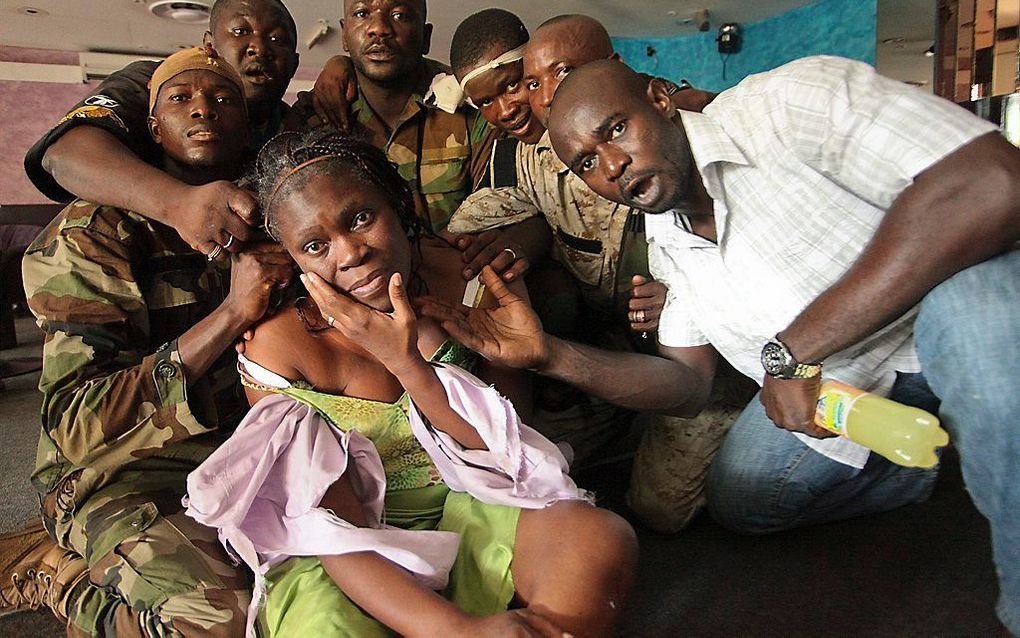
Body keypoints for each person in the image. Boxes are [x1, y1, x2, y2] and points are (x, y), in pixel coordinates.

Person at [428, 56, 1020, 634]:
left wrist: (793, 350)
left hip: (944, 316)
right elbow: (688, 386)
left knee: (975, 320)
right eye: (586, 163)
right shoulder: (667, 245)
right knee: (743, 500)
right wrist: (551, 355)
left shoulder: (785, 105)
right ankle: (946, 456)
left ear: (660, 100)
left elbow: (992, 181)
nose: (611, 164)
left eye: (616, 130)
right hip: (847, 392)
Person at [186, 129, 637, 636]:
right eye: (316, 246)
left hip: (477, 497)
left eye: (361, 218)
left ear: (398, 206)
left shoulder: (471, 279)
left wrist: (406, 364)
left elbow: (504, 452)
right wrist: (456, 631)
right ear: (293, 260)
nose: (351, 253)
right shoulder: (277, 345)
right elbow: (331, 524)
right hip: (349, 551)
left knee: (598, 539)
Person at [5, 46, 295, 636]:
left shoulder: (274, 218)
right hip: (122, 476)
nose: (204, 111)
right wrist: (232, 314)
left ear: (249, 125)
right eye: (181, 99)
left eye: (221, 100)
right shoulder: (94, 234)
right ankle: (60, 578)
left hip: (248, 456)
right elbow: (80, 428)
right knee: (224, 621)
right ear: (153, 127)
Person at [447, 14, 748, 526]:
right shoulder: (529, 157)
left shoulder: (668, 124)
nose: (517, 105)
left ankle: (753, 425)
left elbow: (724, 241)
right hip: (610, 347)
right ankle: (621, 422)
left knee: (663, 511)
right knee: (543, 468)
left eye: (521, 83)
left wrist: (680, 296)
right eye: (537, 82)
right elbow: (496, 220)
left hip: (703, 351)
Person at [23, 0, 300, 259]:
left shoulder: (294, 124)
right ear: (209, 44)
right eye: (240, 31)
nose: (259, 48)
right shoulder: (160, 82)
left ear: (294, 64)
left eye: (277, 39)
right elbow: (67, 155)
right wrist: (180, 205)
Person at [285, 0, 498, 234]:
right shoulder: (316, 113)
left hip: (455, 266)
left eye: (399, 15)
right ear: (344, 35)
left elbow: (497, 212)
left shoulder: (470, 104)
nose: (379, 28)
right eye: (362, 13)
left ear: (425, 37)